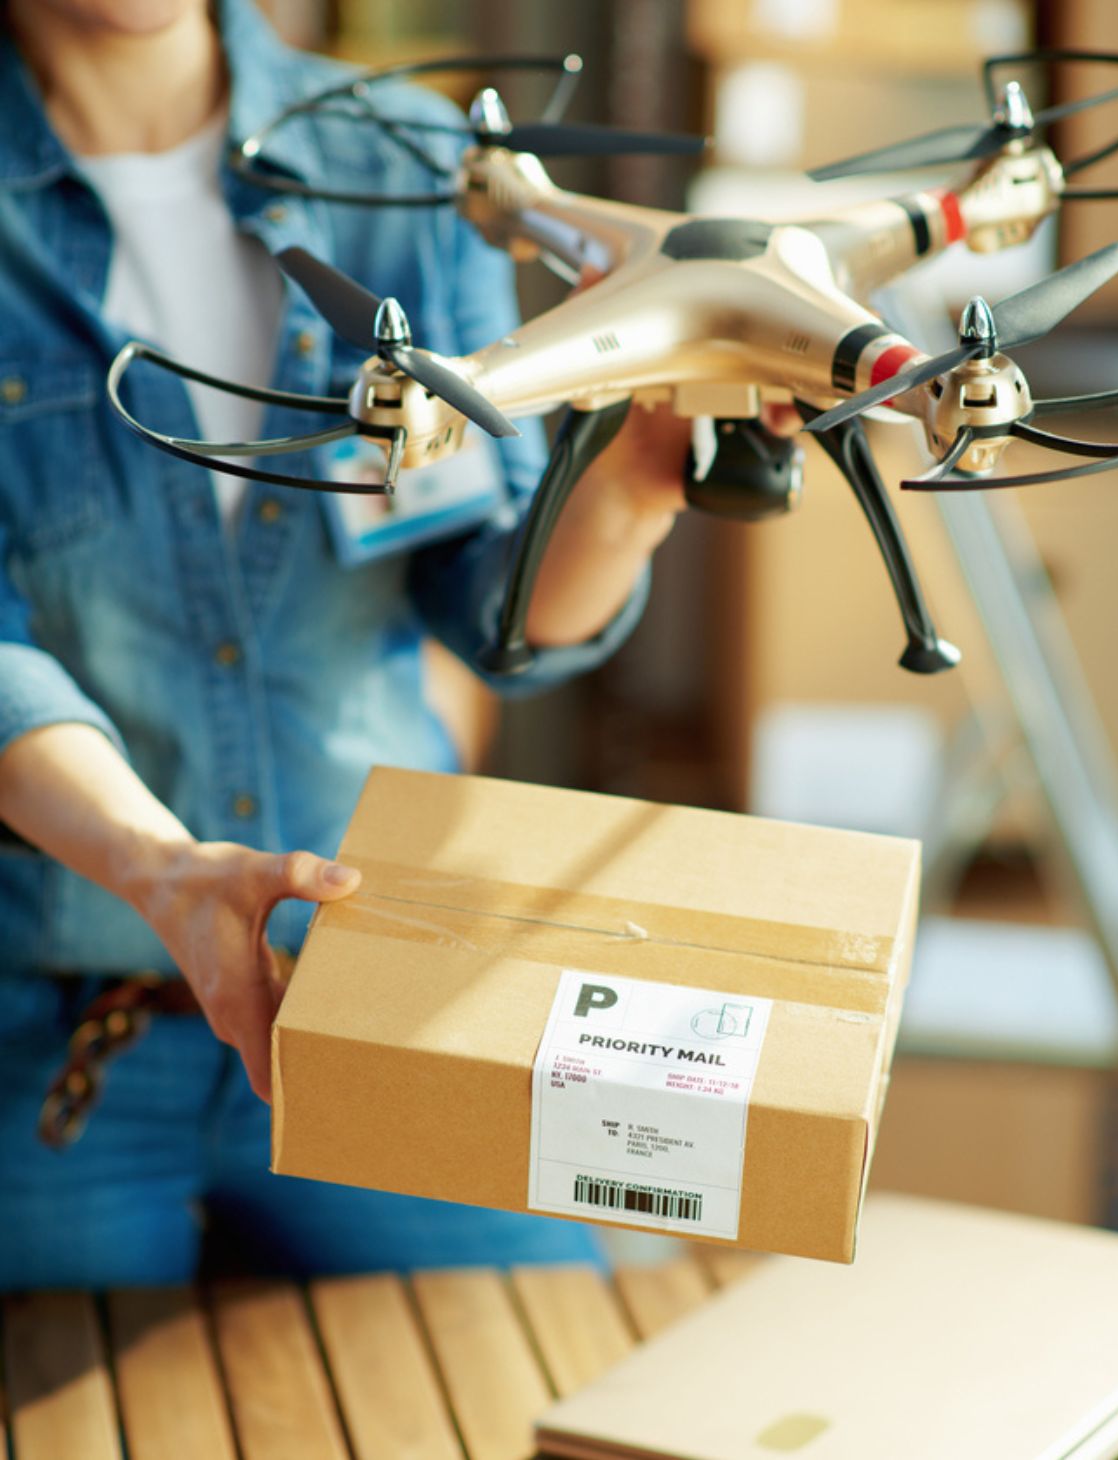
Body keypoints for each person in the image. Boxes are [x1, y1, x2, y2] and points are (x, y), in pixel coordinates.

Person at [0, 0, 692, 1288]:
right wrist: (165, 872)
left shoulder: (405, 162)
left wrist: (639, 487)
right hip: (52, 1031)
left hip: (381, 980)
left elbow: (495, 597)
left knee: (534, 1365)